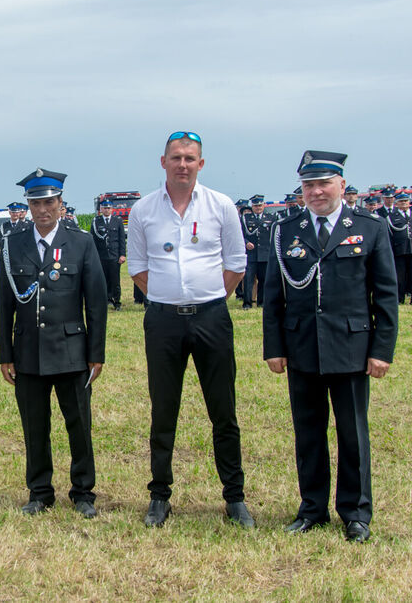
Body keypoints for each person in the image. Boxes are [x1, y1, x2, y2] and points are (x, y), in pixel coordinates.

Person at [262, 150, 398, 543]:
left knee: (352, 433)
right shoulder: (286, 230)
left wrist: (381, 350)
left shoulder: (369, 228)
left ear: (342, 184)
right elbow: (274, 296)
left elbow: (385, 295)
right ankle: (312, 509)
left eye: (323, 183)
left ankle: (355, 513)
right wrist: (274, 346)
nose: (316, 192)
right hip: (302, 344)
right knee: (308, 432)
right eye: (308, 185)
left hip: (352, 347)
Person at [127, 130, 253, 529]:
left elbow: (235, 263)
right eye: (176, 157)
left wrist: (207, 297)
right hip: (163, 320)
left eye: (190, 158)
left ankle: (234, 497)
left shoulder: (222, 206)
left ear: (201, 164)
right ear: (162, 162)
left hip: (211, 317)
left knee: (224, 411)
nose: (183, 164)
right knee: (164, 410)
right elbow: (138, 269)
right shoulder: (143, 210)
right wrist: (171, 297)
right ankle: (159, 496)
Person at [0, 168, 107, 518]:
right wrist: (5, 353)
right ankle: (40, 491)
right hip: (28, 351)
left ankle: (83, 491)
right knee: (35, 426)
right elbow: (4, 304)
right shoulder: (14, 245)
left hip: (72, 351)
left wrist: (96, 354)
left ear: (61, 204)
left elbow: (97, 302)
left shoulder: (81, 242)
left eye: (49, 202)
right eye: (35, 203)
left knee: (79, 424)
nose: (42, 209)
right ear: (28, 206)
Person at [387, 191, 412, 304]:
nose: (404, 203)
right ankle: (400, 298)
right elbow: (389, 236)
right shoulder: (391, 218)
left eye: (406, 201)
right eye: (401, 202)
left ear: (409, 203)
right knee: (400, 277)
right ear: (397, 204)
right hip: (399, 251)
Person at [90, 200, 126, 310]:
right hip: (101, 256)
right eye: (105, 208)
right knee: (103, 280)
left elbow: (121, 239)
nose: (107, 210)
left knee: (115, 280)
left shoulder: (117, 221)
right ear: (101, 209)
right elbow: (93, 240)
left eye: (109, 208)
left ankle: (117, 301)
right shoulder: (96, 221)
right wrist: (93, 256)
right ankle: (106, 300)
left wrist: (122, 254)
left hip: (114, 256)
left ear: (112, 209)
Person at [242, 195, 274, 309]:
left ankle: (262, 302)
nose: (258, 208)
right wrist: (246, 242)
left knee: (264, 280)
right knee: (248, 280)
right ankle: (247, 303)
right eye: (255, 206)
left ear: (264, 205)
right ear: (252, 206)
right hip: (251, 255)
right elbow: (240, 234)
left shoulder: (270, 217)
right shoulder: (246, 218)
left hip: (265, 254)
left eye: (260, 205)